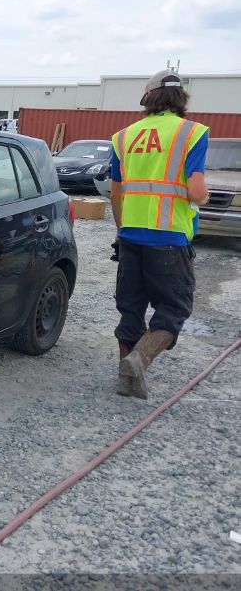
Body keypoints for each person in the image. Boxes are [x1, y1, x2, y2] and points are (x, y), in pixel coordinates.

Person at [110, 70, 210, 399]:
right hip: (169, 237)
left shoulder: (124, 137)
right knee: (174, 307)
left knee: (131, 307)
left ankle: (127, 380)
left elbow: (117, 192)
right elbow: (195, 191)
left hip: (131, 236)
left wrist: (121, 230)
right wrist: (203, 197)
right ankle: (140, 358)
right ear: (181, 98)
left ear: (148, 98)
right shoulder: (191, 133)